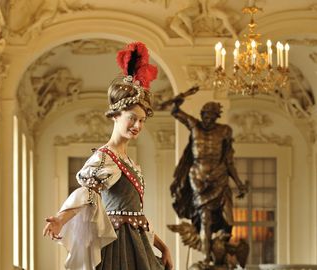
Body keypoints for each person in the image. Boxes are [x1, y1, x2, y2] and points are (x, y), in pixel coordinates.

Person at [43, 42, 174, 270]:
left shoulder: (131, 163)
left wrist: (163, 247)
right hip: (118, 249)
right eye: (132, 117)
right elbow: (88, 195)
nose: (137, 125)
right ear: (115, 115)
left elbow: (136, 219)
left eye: (142, 120)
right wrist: (61, 219)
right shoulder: (105, 158)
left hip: (138, 246)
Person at [169, 98, 247, 268]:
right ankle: (206, 258)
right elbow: (175, 112)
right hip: (198, 178)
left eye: (212, 117)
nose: (208, 120)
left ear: (217, 117)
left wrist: (239, 183)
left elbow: (228, 160)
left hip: (220, 176)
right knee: (205, 220)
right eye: (206, 116)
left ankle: (222, 251)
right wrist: (177, 102)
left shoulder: (225, 131)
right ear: (202, 114)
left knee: (229, 219)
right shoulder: (194, 125)